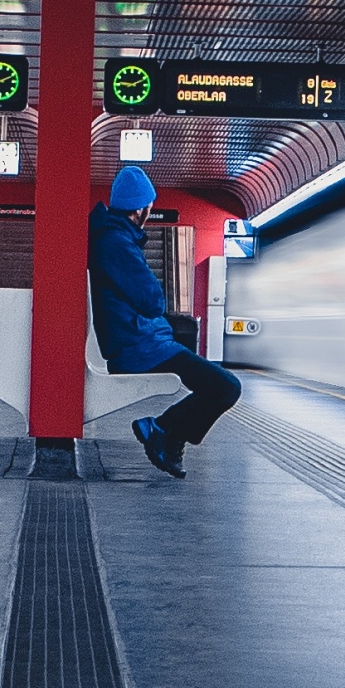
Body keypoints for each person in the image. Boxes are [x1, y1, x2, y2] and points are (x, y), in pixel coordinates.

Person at [87, 165, 241, 479]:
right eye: (149, 205)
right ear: (140, 209)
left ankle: (165, 434)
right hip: (140, 348)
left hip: (141, 341)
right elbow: (153, 301)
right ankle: (163, 430)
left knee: (212, 378)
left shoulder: (114, 238)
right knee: (227, 387)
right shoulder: (116, 242)